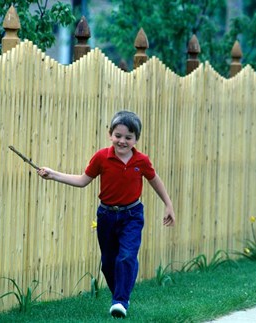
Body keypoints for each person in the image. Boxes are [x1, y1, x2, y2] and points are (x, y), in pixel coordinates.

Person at [37, 110, 175, 318]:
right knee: (109, 263)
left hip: (132, 215)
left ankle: (120, 301)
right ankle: (121, 295)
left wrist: (168, 204)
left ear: (136, 139)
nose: (122, 141)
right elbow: (83, 181)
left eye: (128, 137)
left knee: (127, 256)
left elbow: (154, 180)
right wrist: (53, 175)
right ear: (110, 134)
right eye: (118, 136)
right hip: (107, 216)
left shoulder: (142, 161)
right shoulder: (102, 157)